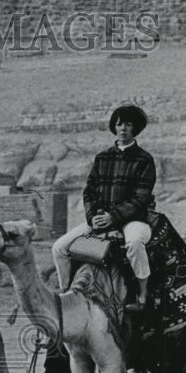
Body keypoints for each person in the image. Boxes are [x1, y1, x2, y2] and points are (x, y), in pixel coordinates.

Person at [51, 104, 156, 312]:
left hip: (133, 220)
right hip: (100, 220)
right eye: (119, 124)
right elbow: (89, 192)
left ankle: (142, 295)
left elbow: (141, 198)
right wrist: (93, 217)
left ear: (135, 128)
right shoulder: (102, 157)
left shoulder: (144, 159)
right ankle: (66, 293)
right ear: (113, 127)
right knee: (59, 247)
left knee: (135, 243)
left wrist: (113, 217)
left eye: (128, 124)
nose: (123, 129)